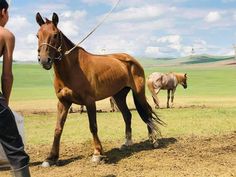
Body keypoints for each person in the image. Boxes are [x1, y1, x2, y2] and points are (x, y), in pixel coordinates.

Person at [0, 0, 31, 176]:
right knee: (15, 150)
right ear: (3, 11)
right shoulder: (5, 35)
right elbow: (7, 76)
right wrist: (5, 103)